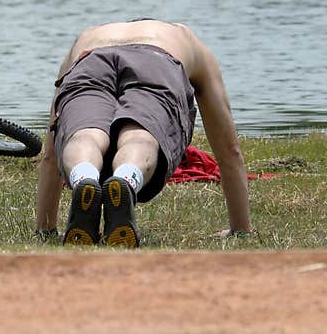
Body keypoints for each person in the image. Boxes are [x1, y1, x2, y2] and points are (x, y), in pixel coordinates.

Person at [35, 18, 253, 247]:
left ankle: (84, 177)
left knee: (85, 135)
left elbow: (51, 153)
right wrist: (240, 229)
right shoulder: (184, 37)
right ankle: (125, 179)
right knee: (139, 136)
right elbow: (230, 150)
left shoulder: (89, 34)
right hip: (156, 60)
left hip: (90, 59)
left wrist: (45, 228)